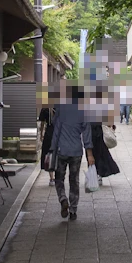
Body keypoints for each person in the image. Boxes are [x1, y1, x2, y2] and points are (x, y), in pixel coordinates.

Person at [51, 87, 92, 220]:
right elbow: (87, 134)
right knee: (74, 180)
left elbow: (56, 130)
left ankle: (63, 199)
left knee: (59, 178)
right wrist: (89, 153)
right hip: (76, 151)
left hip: (61, 150)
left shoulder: (61, 109)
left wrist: (52, 148)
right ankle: (73, 210)